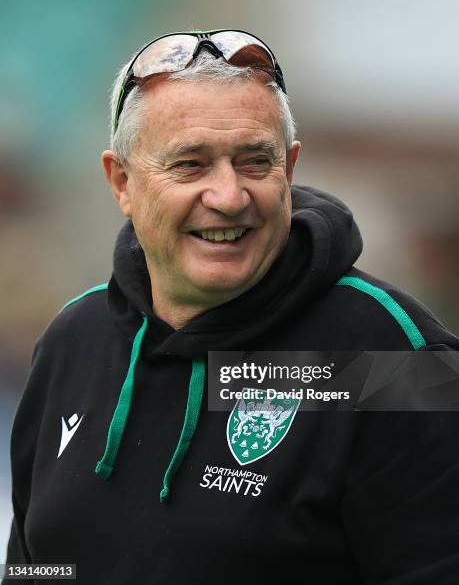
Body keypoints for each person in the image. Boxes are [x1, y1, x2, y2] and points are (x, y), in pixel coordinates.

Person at [4, 30, 459, 584]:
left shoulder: (398, 359)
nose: (228, 196)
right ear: (122, 182)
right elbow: (36, 567)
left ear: (289, 171)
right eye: (190, 165)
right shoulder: (73, 340)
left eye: (254, 163)